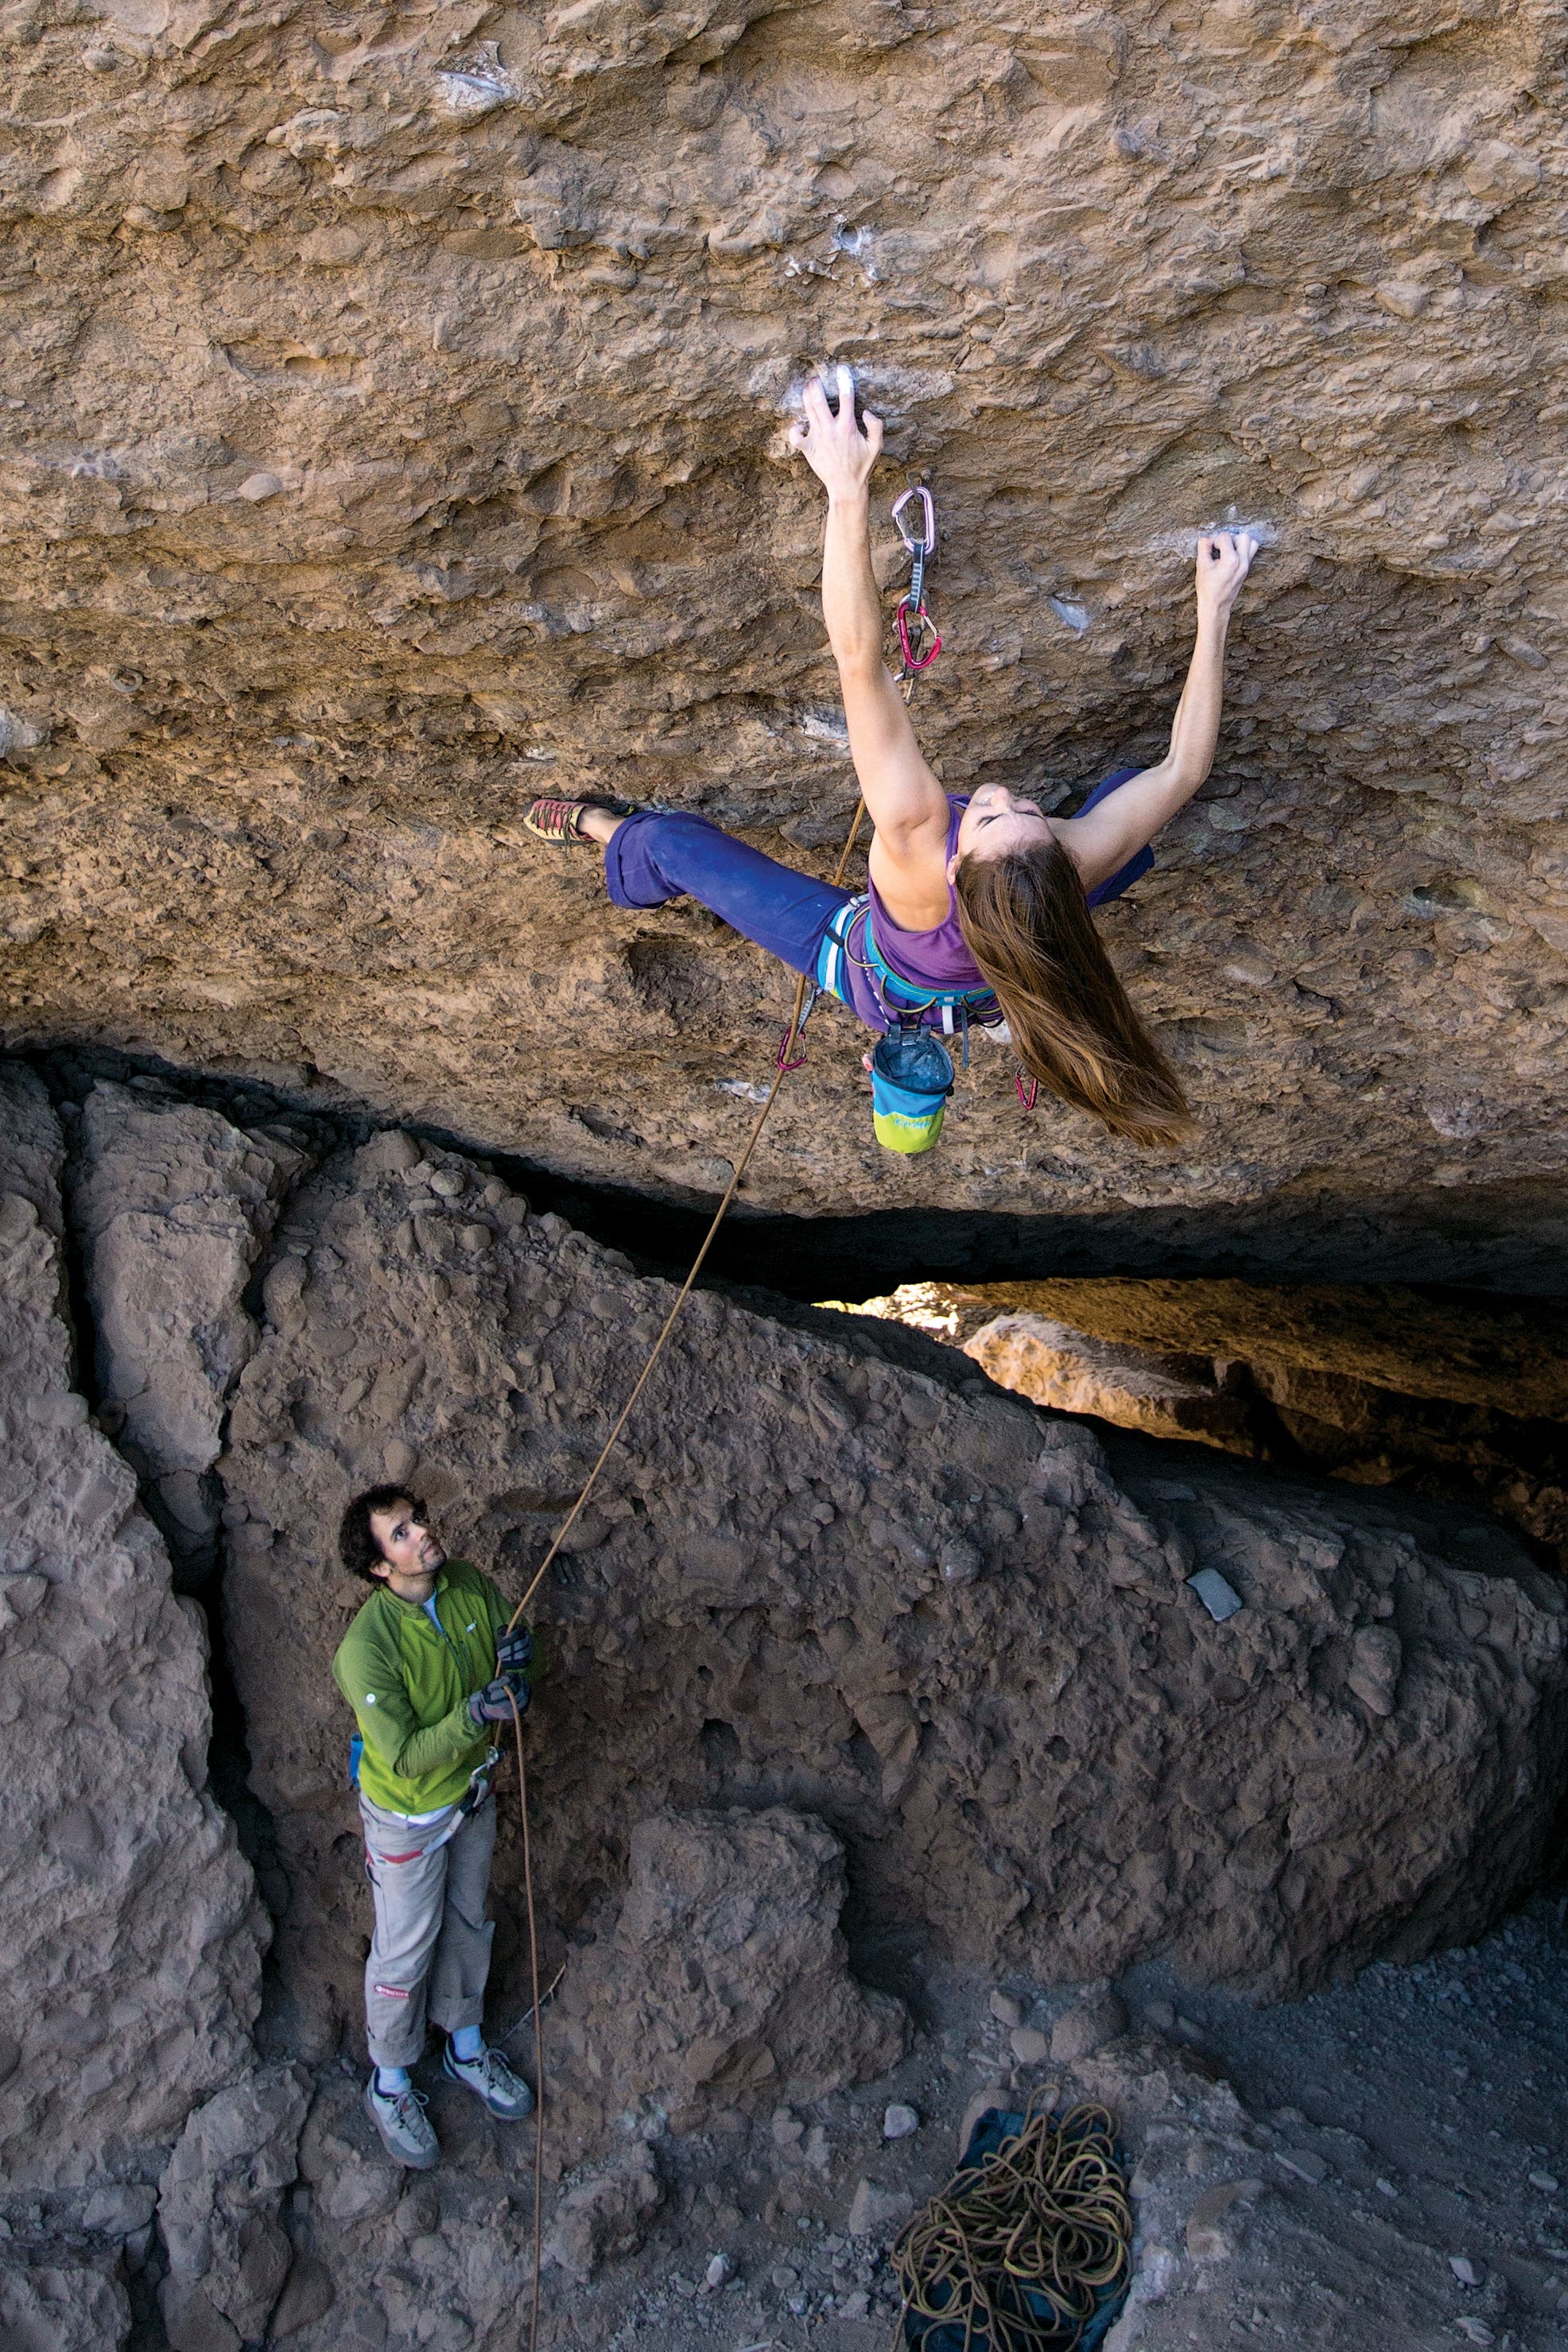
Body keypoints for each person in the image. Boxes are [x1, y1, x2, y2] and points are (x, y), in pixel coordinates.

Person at [522, 364, 1258, 1155]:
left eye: (984, 813)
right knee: (1130, 809)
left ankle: (602, 829)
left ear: (950, 867)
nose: (1004, 792)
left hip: (874, 974)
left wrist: (845, 488)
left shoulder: (913, 838)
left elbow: (856, 660)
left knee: (671, 843)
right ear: (1057, 861)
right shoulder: (1073, 861)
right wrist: (1213, 610)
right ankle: (1001, 1004)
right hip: (1001, 969)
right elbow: (1183, 770)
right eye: (1029, 812)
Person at [332, 1485, 538, 2171]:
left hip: (470, 1795)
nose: (422, 1533)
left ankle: (466, 2046)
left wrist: (518, 1663)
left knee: (467, 1920)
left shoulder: (466, 1583)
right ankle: (388, 2083)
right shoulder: (366, 1649)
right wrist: (476, 1716)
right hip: (409, 1816)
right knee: (405, 1948)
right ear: (378, 1569)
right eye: (400, 1534)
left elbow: (507, 1634)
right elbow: (408, 1756)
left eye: (416, 1520)